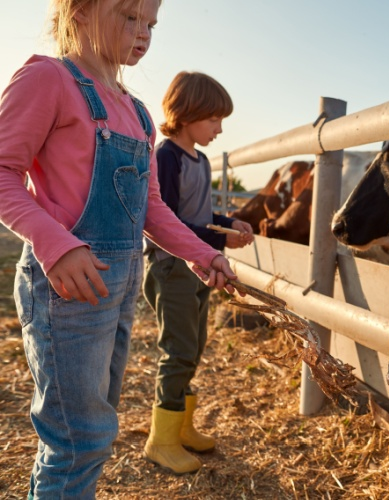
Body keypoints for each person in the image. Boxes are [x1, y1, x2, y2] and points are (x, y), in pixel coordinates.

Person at [0, 1, 243, 497]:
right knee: (79, 441)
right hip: (66, 289)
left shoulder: (137, 112)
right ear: (81, 11)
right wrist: (57, 245)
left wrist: (202, 253)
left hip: (118, 288)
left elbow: (152, 207)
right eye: (129, 16)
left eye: (150, 23)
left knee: (87, 432)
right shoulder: (48, 79)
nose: (143, 32)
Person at [142, 71, 253, 474]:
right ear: (187, 114)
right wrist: (218, 241)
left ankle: (182, 426)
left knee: (195, 344)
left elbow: (200, 215)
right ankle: (162, 439)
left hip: (201, 266)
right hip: (173, 265)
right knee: (178, 349)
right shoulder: (165, 157)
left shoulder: (200, 160)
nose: (219, 129)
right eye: (213, 120)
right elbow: (163, 219)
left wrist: (229, 223)